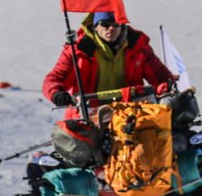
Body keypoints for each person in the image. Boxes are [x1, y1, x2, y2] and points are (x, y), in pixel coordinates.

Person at [43, 11, 176, 118]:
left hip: (131, 116)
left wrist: (166, 90)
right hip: (88, 120)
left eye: (116, 23)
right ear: (95, 26)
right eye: (105, 24)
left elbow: (159, 74)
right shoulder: (78, 51)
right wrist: (57, 93)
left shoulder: (138, 47)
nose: (111, 28)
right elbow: (55, 78)